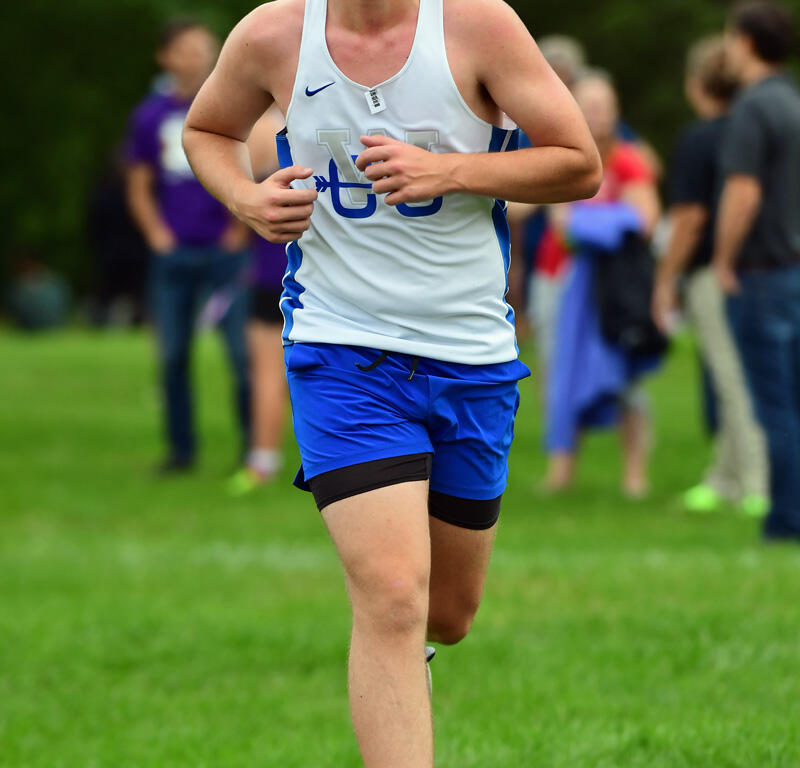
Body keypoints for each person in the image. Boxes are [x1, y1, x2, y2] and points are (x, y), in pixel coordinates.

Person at [182, 0, 602, 763]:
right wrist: (246, 198)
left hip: (470, 356)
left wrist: (450, 170)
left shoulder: (479, 26)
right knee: (394, 596)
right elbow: (206, 130)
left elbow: (579, 161)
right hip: (341, 351)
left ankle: (407, 657)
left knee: (447, 614)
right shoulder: (273, 33)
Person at [126, 19, 252, 473]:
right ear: (166, 57)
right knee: (173, 354)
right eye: (187, 48)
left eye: (204, 47)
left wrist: (238, 229)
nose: (198, 57)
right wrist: (156, 235)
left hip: (226, 253)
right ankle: (181, 453)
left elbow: (254, 164)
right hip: (174, 253)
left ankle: (253, 450)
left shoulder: (234, 107)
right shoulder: (150, 115)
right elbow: (139, 184)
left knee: (241, 354)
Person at [653, 36, 768, 517]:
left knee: (731, 379)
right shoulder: (753, 128)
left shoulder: (699, 139)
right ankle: (724, 477)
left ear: (695, 84)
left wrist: (665, 279)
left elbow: (690, 219)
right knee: (746, 374)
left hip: (714, 275)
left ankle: (757, 484)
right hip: (763, 270)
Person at [545, 72, 662, 496]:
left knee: (625, 379)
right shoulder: (563, 157)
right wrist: (613, 223)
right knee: (565, 375)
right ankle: (561, 472)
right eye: (589, 106)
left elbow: (646, 221)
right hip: (568, 281)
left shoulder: (628, 160)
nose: (598, 115)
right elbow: (562, 229)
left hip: (618, 288)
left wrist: (587, 224)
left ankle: (635, 475)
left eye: (604, 106)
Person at [714, 0, 800, 542]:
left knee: (774, 404)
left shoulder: (752, 107)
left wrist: (723, 258)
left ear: (745, 41)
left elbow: (743, 191)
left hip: (762, 273)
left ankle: (787, 519)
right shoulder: (792, 101)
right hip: (793, 268)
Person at [229, 106, 291, 495]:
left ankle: (263, 461)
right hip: (327, 271)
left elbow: (242, 200)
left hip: (274, 270)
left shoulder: (263, 128)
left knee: (268, 372)